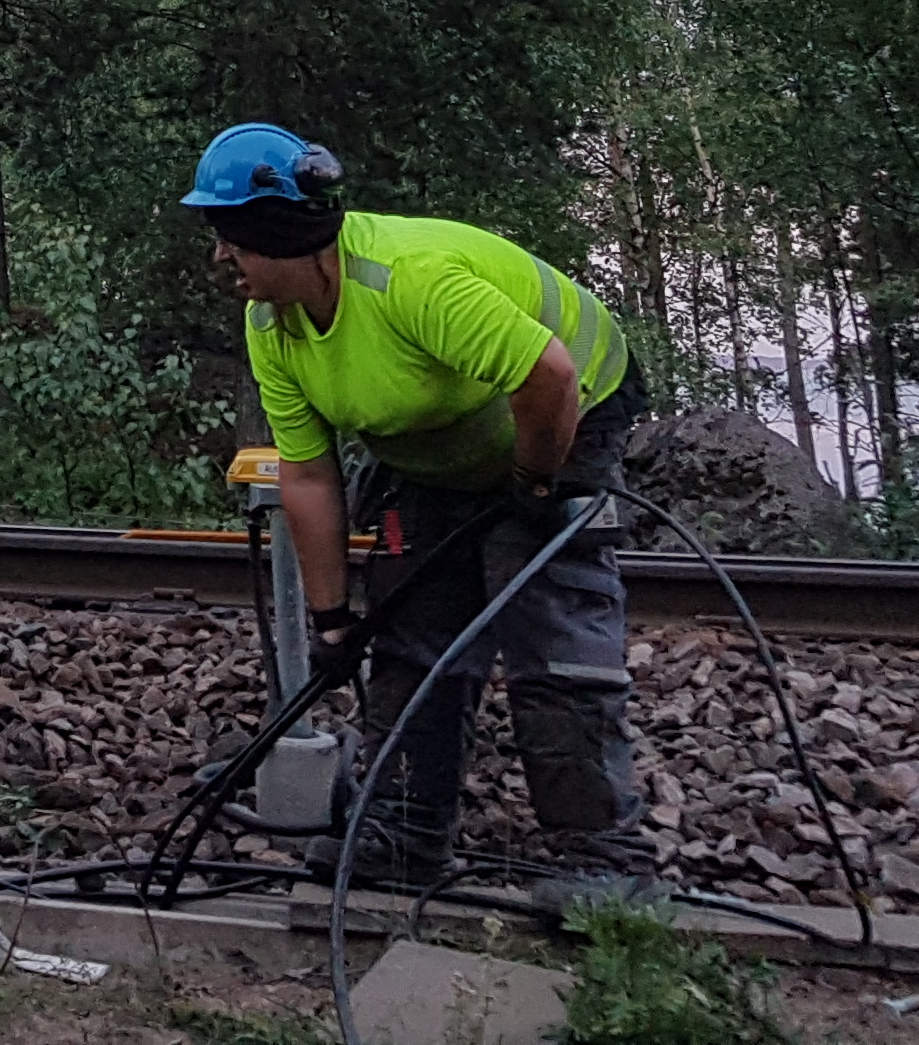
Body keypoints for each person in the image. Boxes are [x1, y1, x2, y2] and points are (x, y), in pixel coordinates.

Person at [182, 123, 656, 916]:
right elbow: (307, 474)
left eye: (233, 240)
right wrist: (334, 621)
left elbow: (549, 374)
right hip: (431, 451)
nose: (220, 260)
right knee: (407, 633)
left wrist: (536, 484)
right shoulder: (275, 325)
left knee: (546, 631)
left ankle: (607, 860)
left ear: (285, 236)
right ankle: (404, 837)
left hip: (563, 417)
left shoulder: (408, 279)